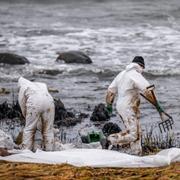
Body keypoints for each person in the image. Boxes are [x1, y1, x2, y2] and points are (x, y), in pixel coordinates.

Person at [105, 56, 163, 155]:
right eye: (143, 69)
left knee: (137, 132)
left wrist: (109, 105)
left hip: (122, 106)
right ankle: (110, 140)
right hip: (128, 107)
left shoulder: (122, 74)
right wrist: (157, 105)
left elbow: (110, 91)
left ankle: (136, 153)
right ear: (141, 66)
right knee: (133, 135)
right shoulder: (135, 74)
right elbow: (148, 91)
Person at [18, 77, 55, 151]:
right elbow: (44, 97)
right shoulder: (41, 85)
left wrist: (26, 116)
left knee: (29, 129)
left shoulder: (23, 87)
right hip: (50, 101)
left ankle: (26, 150)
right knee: (48, 130)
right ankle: (50, 150)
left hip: (34, 102)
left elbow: (22, 103)